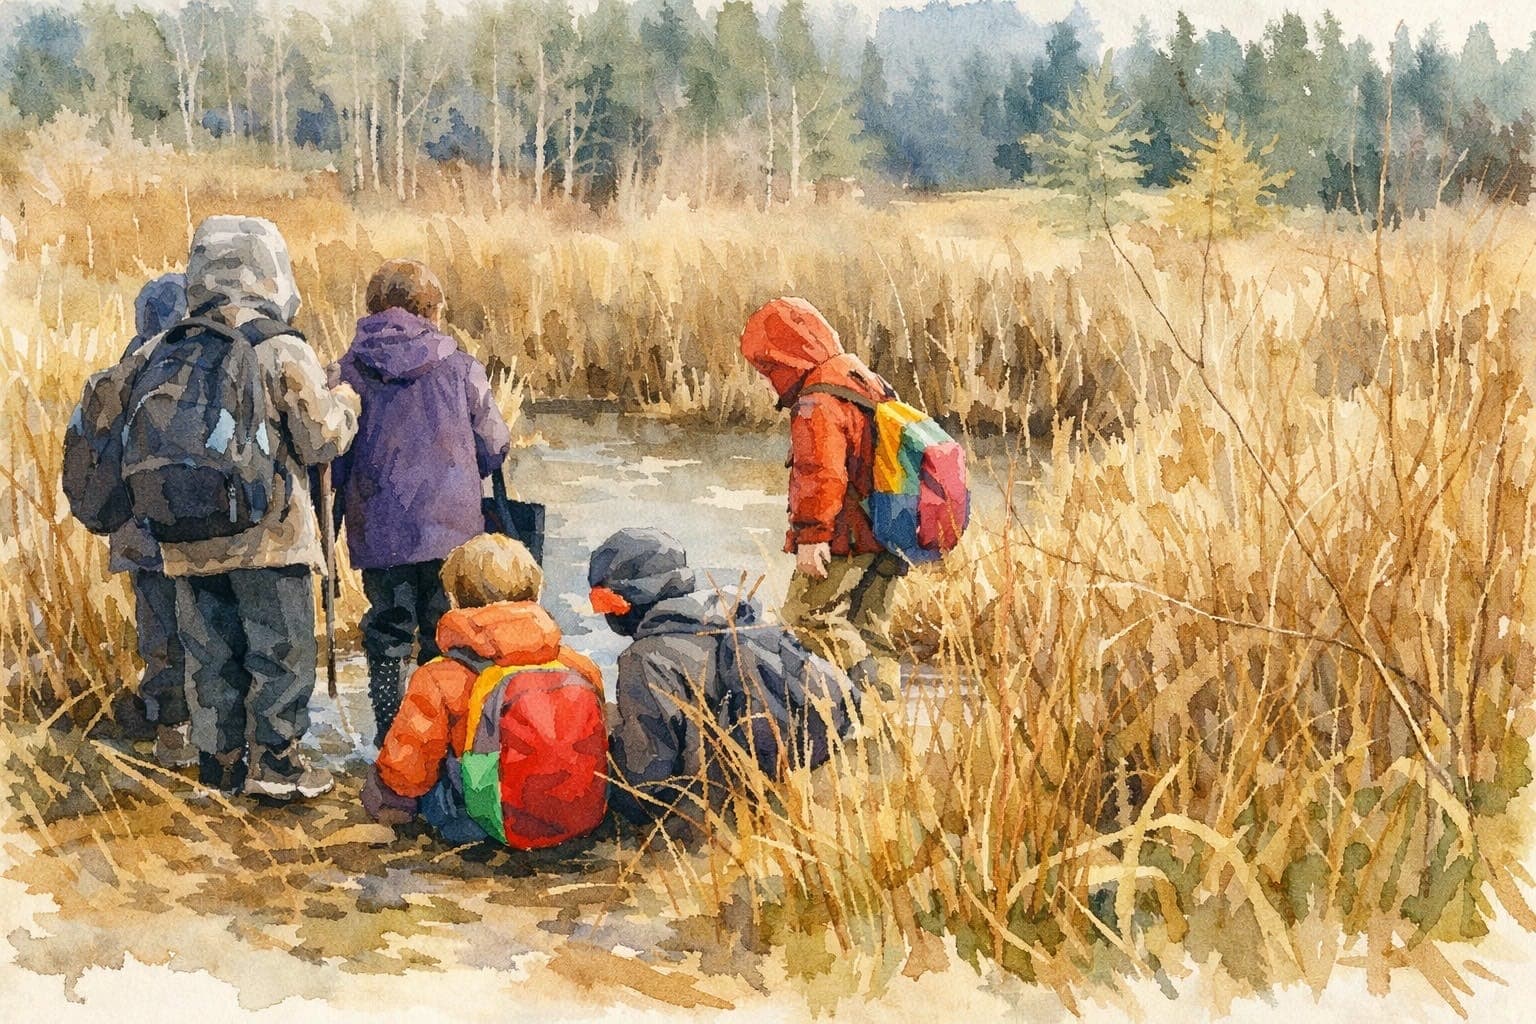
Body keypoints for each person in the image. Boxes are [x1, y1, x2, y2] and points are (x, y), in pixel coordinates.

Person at [158, 215, 360, 799]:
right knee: (280, 650)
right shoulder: (278, 346)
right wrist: (345, 403)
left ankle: (218, 766)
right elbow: (320, 437)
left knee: (209, 654)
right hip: (270, 532)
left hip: (187, 532)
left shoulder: (173, 345)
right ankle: (277, 764)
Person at [333, 258, 511, 746]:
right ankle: (445, 733)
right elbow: (494, 445)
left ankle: (392, 736)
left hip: (378, 529)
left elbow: (334, 457)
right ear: (432, 308)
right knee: (447, 631)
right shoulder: (460, 366)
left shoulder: (346, 370)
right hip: (453, 530)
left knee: (387, 630)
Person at [588, 527, 860, 826]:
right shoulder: (750, 622)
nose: (605, 615)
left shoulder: (645, 658)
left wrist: (610, 798)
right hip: (771, 785)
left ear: (632, 597)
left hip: (706, 812)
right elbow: (841, 696)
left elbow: (646, 780)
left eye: (605, 603)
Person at [362, 534, 606, 848]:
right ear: (534, 592)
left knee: (391, 780)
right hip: (579, 814)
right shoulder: (576, 665)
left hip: (478, 821)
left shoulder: (439, 674)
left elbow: (407, 765)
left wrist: (388, 796)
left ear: (455, 598)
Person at [739, 297, 907, 697]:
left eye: (767, 368)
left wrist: (812, 538)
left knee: (807, 618)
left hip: (846, 539)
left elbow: (822, 473)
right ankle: (884, 716)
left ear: (788, 359)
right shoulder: (863, 379)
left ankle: (856, 698)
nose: (765, 380)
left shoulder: (817, 401)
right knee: (870, 626)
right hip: (890, 532)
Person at [108, 272, 195, 768]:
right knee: (205, 630)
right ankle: (214, 733)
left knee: (160, 634)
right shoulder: (193, 366)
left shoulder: (125, 369)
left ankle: (171, 731)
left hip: (137, 532)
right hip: (194, 528)